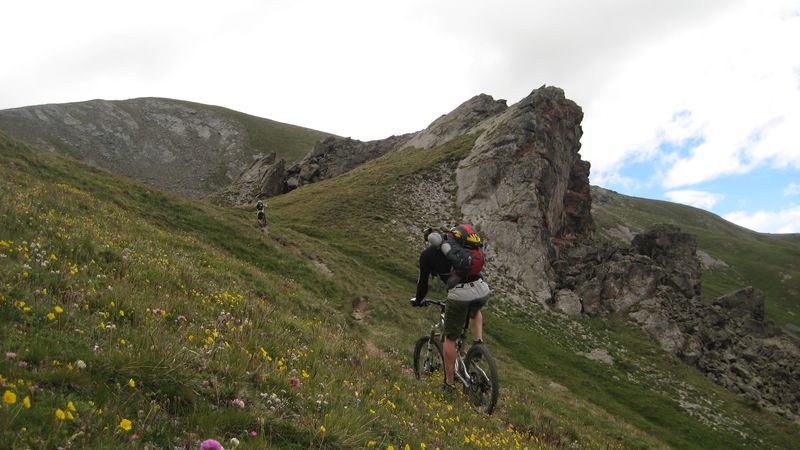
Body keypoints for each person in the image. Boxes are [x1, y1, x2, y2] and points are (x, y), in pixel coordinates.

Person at [411, 225, 490, 391]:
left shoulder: (427, 255)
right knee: (474, 311)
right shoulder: (458, 246)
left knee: (449, 338)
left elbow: (423, 283)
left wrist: (418, 300)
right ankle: (478, 345)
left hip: (460, 294)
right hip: (482, 289)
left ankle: (449, 384)